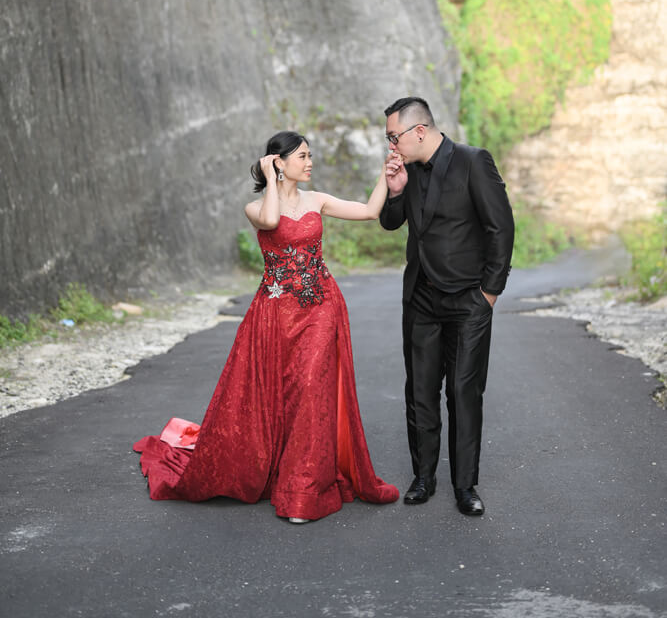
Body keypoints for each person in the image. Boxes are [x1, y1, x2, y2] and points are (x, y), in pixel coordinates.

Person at [134, 131, 399, 523]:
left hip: (320, 305)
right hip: (274, 312)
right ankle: (279, 469)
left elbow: (369, 211)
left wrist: (385, 175)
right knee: (278, 394)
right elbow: (272, 220)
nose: (310, 163)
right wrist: (272, 180)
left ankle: (302, 489)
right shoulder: (255, 207)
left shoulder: (317, 199)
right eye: (302, 156)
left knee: (310, 387)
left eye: (310, 156)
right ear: (279, 161)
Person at [380, 97, 514, 517]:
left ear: (419, 131)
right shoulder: (407, 170)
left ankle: (465, 485)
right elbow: (390, 222)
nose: (391, 146)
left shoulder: (473, 161)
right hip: (421, 298)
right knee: (420, 392)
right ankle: (423, 477)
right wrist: (396, 191)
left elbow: (500, 227)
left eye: (394, 137)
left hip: (468, 299)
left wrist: (489, 293)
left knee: (463, 392)